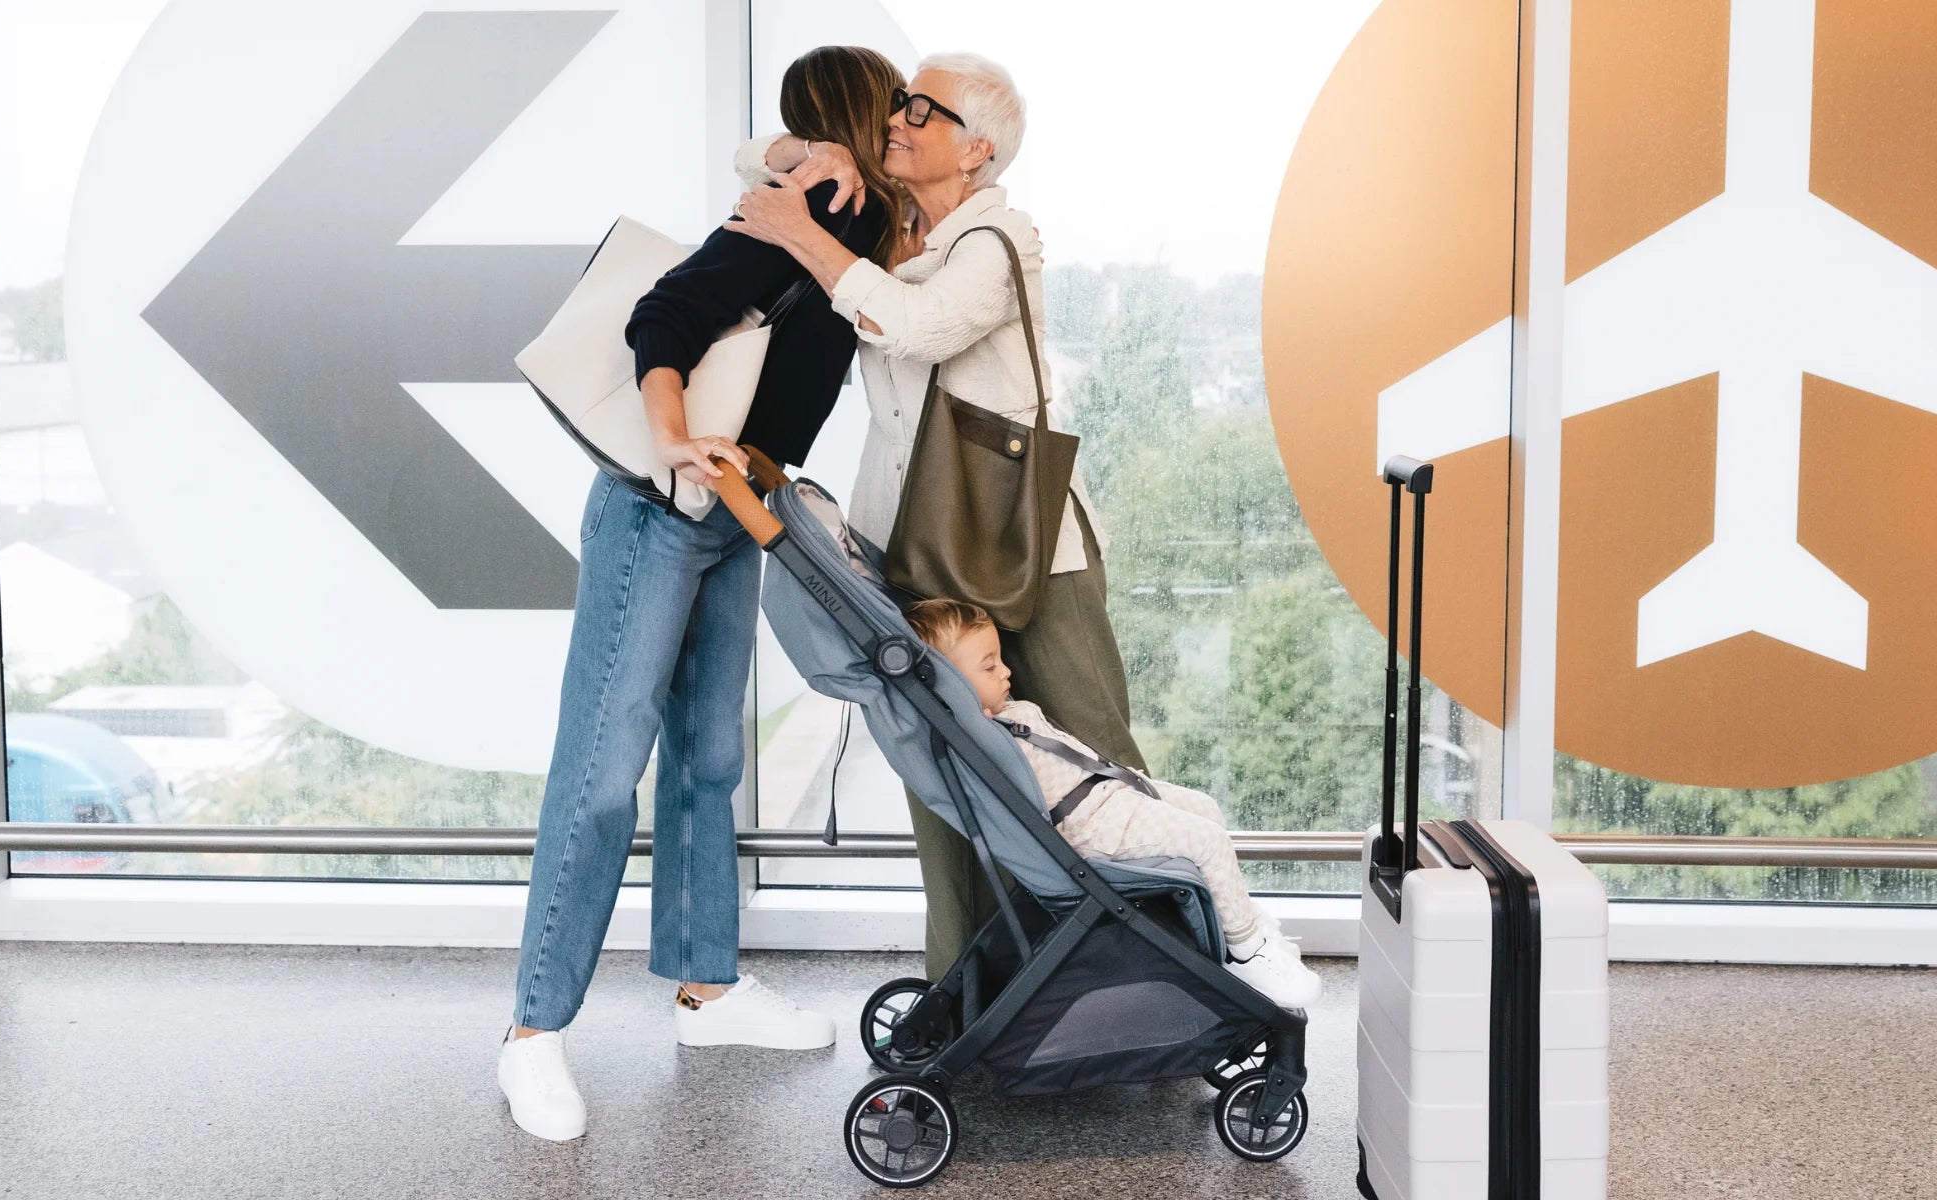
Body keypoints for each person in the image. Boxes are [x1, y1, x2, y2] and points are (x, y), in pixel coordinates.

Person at [497, 46, 903, 1144]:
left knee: (710, 758)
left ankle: (707, 990)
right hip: (658, 509)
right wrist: (675, 438)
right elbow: (665, 314)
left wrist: (788, 152)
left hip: (736, 512)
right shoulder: (810, 203)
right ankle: (532, 1031)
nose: (904, 126)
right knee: (602, 769)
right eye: (895, 110)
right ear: (863, 114)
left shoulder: (846, 212)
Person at [727, 53, 1151, 983]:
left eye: (925, 109)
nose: (899, 117)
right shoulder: (888, 227)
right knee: (947, 776)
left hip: (1029, 545)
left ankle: (1161, 980)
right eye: (900, 103)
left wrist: (806, 235)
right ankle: (962, 990)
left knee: (1094, 757)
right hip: (912, 544)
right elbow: (750, 153)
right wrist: (807, 157)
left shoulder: (999, 239)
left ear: (978, 150)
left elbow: (920, 330)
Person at [904, 598, 1324, 1010]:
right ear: (951, 684)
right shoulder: (974, 738)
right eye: (989, 666)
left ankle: (1238, 925)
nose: (1006, 670)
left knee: (1205, 807)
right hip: (1092, 825)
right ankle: (1248, 955)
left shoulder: (1004, 714)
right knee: (1208, 841)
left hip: (1107, 795)